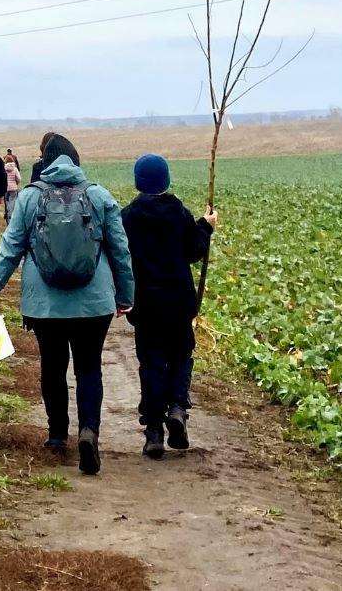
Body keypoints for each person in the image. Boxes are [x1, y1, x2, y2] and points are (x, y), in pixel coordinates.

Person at [0, 134, 134, 476]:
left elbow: (9, 252)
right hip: (94, 305)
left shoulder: (30, 198)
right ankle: (89, 432)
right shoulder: (98, 195)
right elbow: (120, 251)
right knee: (89, 368)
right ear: (76, 160)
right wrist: (125, 296)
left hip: (44, 306)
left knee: (53, 366)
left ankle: (58, 436)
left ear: (45, 162)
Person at [122, 154, 217, 459]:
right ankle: (177, 408)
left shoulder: (129, 216)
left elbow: (121, 257)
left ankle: (153, 432)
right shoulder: (179, 212)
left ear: (139, 182)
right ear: (166, 180)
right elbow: (193, 251)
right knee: (180, 356)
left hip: (146, 303)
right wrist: (206, 226)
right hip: (178, 302)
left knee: (151, 363)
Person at [3, 153, 21, 223]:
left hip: (5, 188)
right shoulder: (15, 169)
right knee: (13, 203)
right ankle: (12, 217)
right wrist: (16, 182)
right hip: (13, 188)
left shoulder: (3, 168)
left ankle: (8, 216)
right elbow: (19, 178)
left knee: (7, 202)